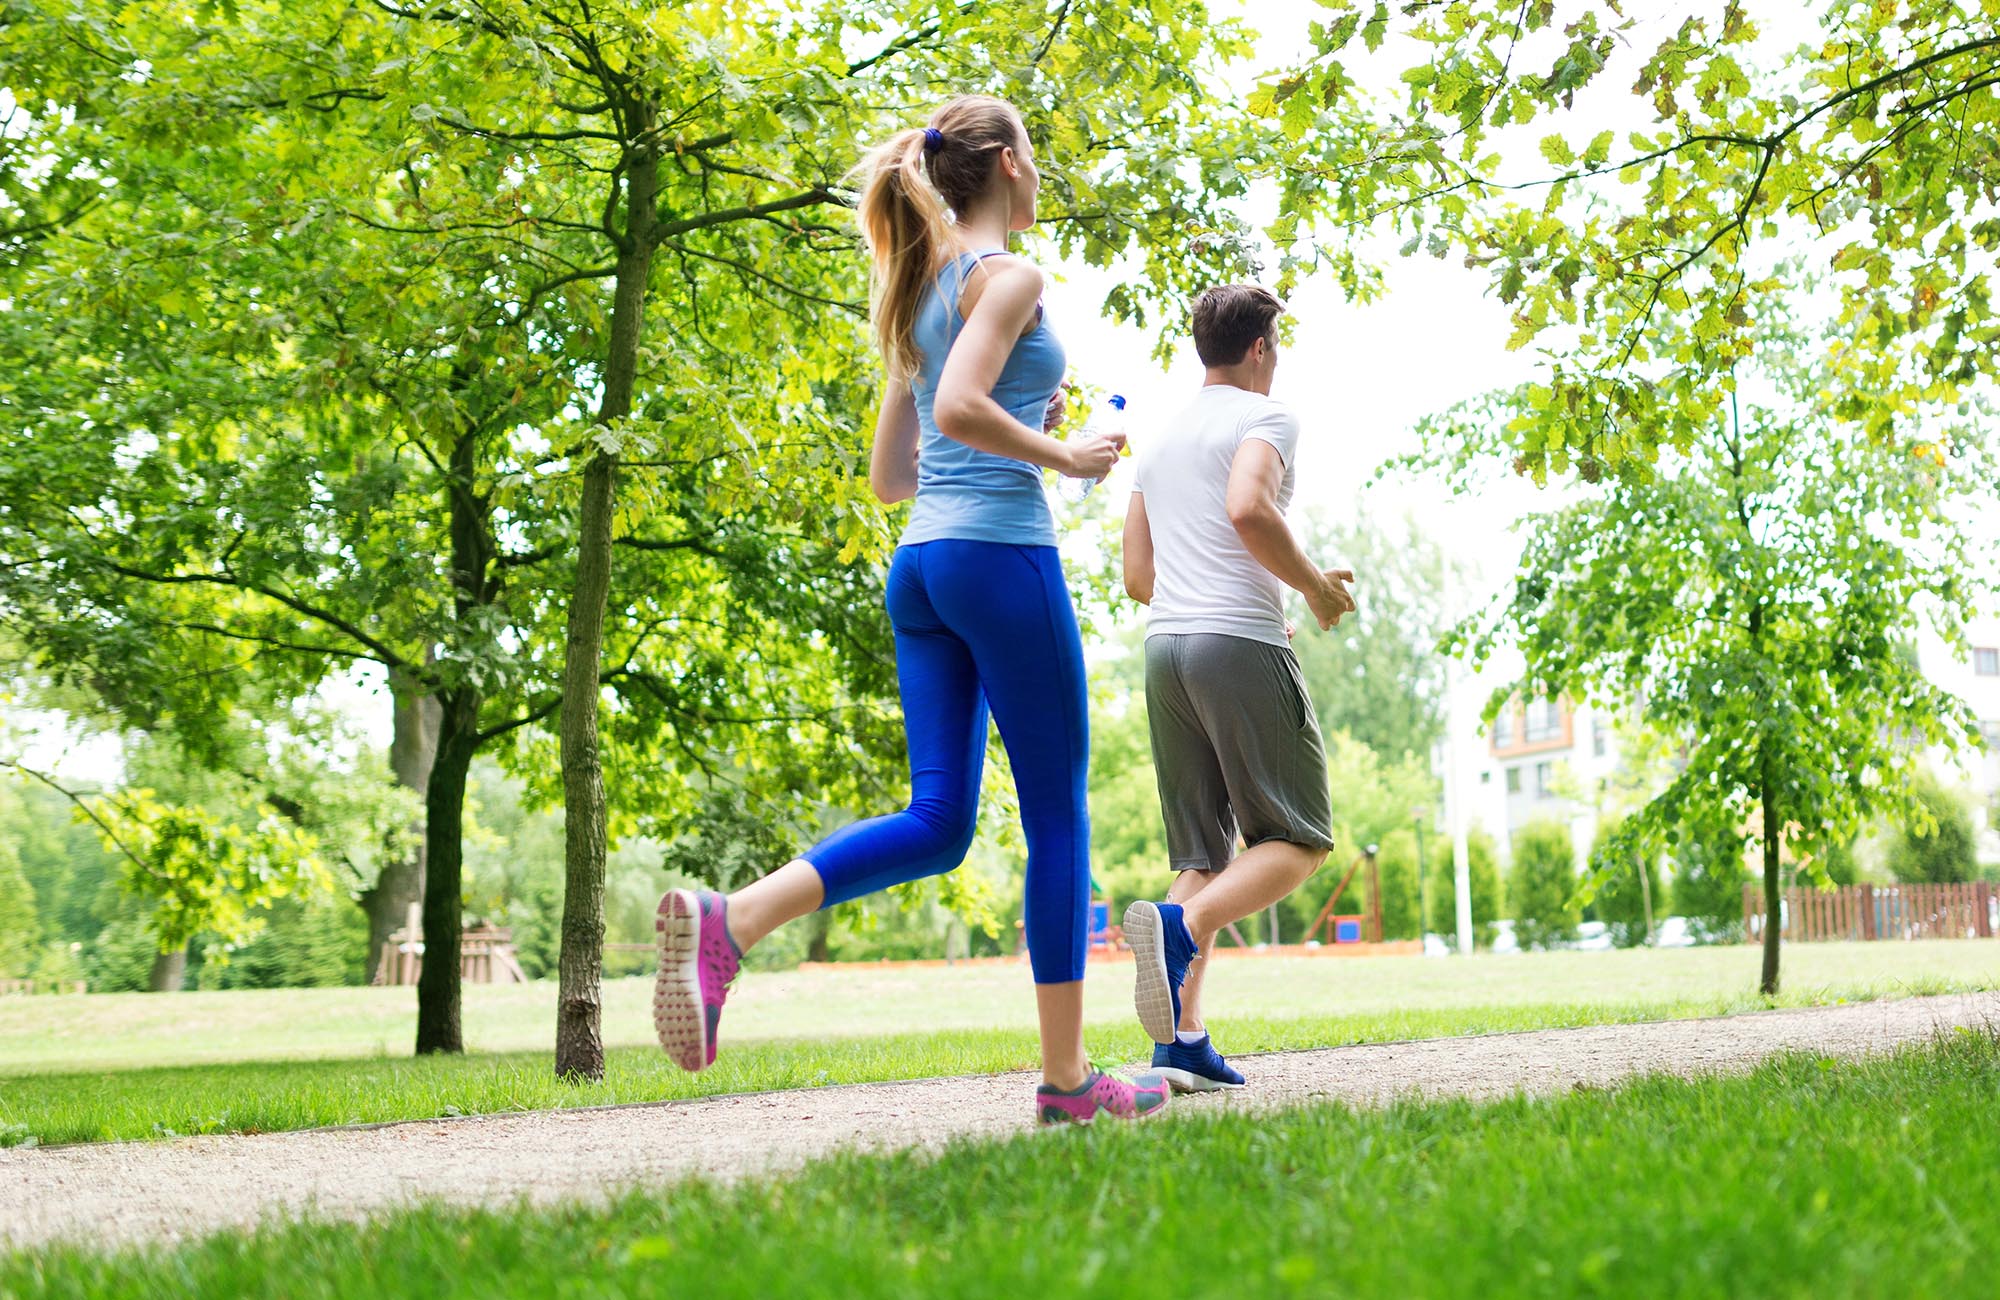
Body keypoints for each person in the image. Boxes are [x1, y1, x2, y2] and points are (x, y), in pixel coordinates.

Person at [652, 94, 1169, 1126]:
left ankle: (733, 919)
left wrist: (1019, 414)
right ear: (1011, 165)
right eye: (1036, 151)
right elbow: (952, 411)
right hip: (996, 558)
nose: (1041, 166)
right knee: (1056, 814)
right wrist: (1061, 452)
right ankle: (1069, 1083)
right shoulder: (1009, 276)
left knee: (938, 823)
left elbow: (893, 474)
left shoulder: (921, 288)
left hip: (922, 565)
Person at [1119, 284, 1354, 1091]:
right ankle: (1181, 929)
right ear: (1260, 348)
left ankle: (1180, 1040)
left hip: (1166, 653)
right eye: (1276, 347)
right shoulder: (1269, 415)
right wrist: (1315, 590)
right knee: (1300, 839)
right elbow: (1249, 509)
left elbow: (1138, 576)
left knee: (1202, 853)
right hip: (1234, 645)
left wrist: (1269, 596)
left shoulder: (1159, 438)